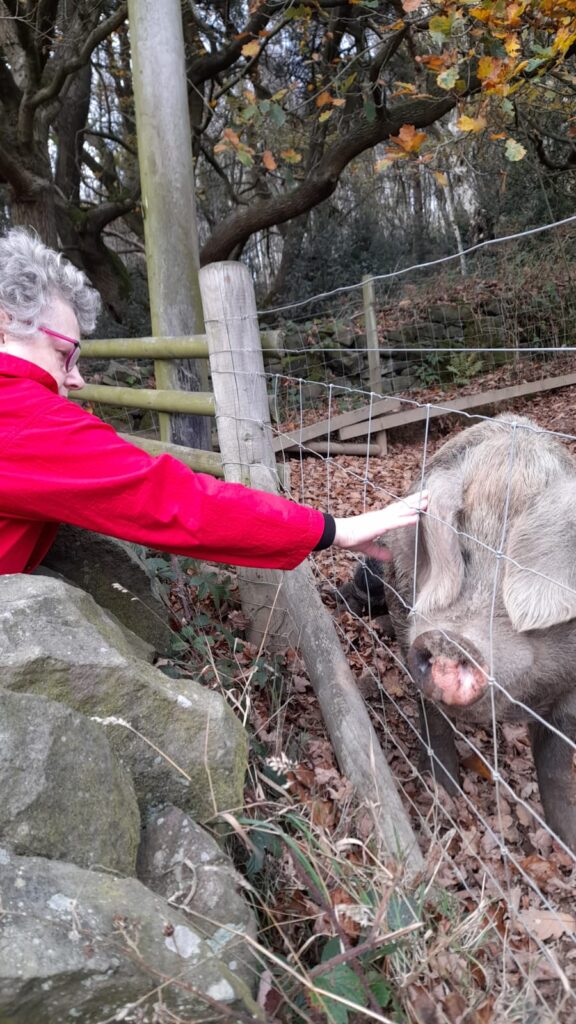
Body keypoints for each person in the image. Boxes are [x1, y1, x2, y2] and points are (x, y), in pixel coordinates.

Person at [0, 229, 426, 575]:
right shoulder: (20, 415)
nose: (75, 377)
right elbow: (170, 500)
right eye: (64, 354)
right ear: (4, 327)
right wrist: (333, 530)